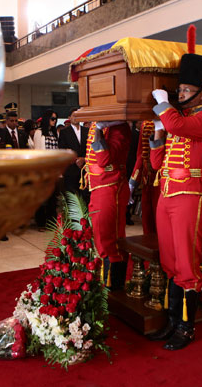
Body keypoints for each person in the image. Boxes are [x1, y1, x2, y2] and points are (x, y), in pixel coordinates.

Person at [148, 25, 202, 350]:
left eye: (184, 91)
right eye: (177, 92)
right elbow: (156, 164)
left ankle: (186, 327)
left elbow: (177, 124)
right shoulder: (179, 120)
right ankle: (171, 322)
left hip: (192, 196)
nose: (179, 96)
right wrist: (155, 136)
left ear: (201, 91)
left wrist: (164, 108)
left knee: (187, 265)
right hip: (167, 194)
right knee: (168, 261)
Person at [83, 120, 131, 290]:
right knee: (101, 237)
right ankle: (107, 283)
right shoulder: (103, 123)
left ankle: (113, 286)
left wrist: (97, 129)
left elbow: (103, 159)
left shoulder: (119, 126)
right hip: (98, 185)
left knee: (109, 239)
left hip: (111, 186)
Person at [129, 120, 159, 239]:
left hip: (165, 177)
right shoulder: (147, 124)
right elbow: (142, 155)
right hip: (149, 178)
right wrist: (133, 181)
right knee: (148, 218)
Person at [34, 110, 60, 229]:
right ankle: (41, 222)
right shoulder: (39, 133)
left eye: (55, 119)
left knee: (52, 198)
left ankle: (51, 222)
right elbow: (38, 152)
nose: (54, 121)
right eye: (52, 119)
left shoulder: (54, 133)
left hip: (54, 170)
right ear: (46, 119)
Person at [58, 108, 88, 195]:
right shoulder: (64, 132)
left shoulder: (87, 130)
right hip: (71, 169)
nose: (76, 118)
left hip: (85, 168)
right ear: (69, 118)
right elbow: (62, 149)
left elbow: (90, 148)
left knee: (85, 196)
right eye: (74, 116)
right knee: (72, 197)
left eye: (78, 116)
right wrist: (76, 160)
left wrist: (84, 159)